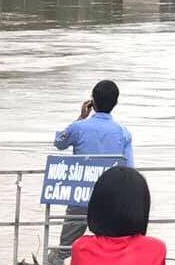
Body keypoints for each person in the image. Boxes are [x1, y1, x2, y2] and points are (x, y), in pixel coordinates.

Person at [53, 80, 135, 248]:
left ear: (92, 102)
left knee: (66, 247)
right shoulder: (123, 132)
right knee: (111, 245)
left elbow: (59, 142)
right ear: (115, 103)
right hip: (110, 197)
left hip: (80, 194)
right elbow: (129, 169)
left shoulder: (78, 128)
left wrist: (81, 117)